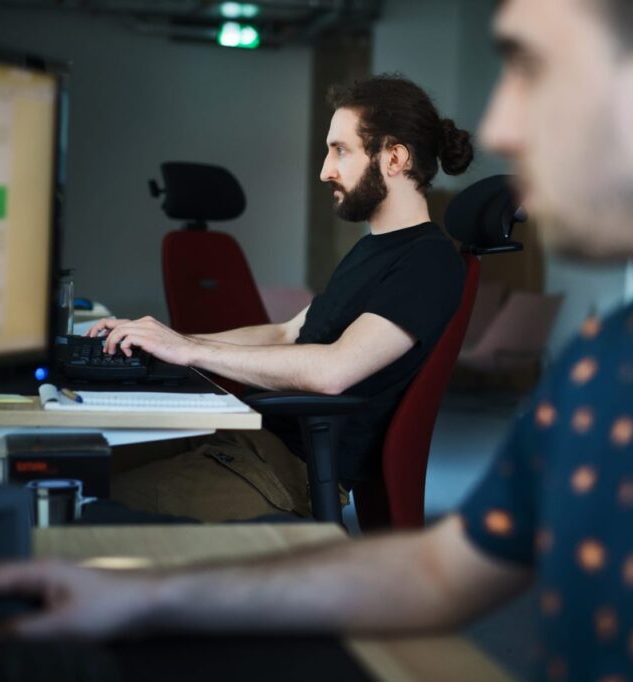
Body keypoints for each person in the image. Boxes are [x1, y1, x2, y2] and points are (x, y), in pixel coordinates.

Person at [0, 0, 633, 679]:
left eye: (529, 68)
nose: (498, 122)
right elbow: (442, 567)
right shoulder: (613, 368)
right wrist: (143, 599)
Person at [94, 75, 473, 521]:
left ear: (394, 157)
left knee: (84, 495)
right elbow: (286, 331)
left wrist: (189, 350)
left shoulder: (427, 263)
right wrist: (165, 340)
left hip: (284, 472)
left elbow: (335, 371)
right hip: (247, 441)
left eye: (341, 150)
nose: (325, 169)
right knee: (76, 458)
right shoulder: (374, 249)